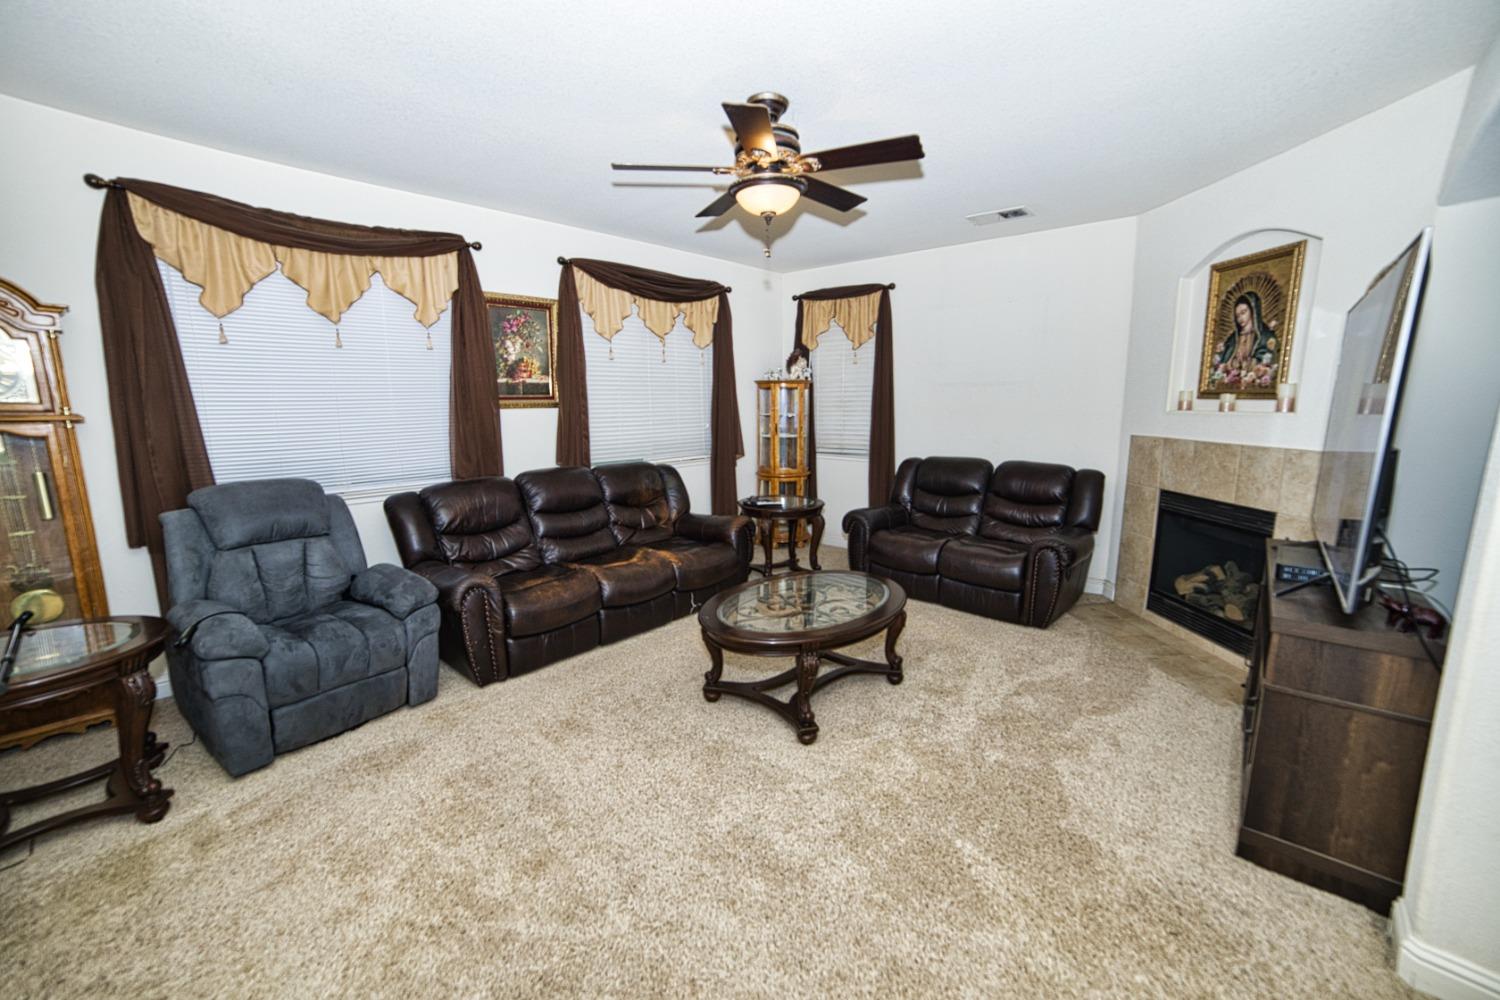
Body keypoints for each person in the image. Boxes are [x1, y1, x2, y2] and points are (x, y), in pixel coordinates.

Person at [1211, 291, 1277, 388]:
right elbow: (1223, 362)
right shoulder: (1233, 339)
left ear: (1253, 311)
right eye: (1237, 315)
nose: (1240, 318)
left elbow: (1266, 360)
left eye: (1243, 312)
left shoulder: (1265, 336)